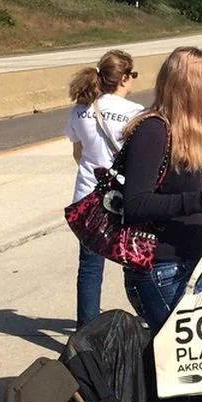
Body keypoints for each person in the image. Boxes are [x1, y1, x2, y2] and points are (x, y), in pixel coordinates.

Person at [119, 47, 202, 333]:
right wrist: (201, 200)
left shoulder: (188, 135)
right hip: (163, 270)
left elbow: (193, 198)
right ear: (193, 90)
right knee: (174, 355)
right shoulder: (153, 130)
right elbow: (136, 204)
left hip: (192, 263)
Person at [65, 50, 144, 329]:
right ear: (123, 78)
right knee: (136, 258)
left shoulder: (80, 110)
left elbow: (78, 153)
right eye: (132, 75)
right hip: (125, 197)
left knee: (89, 266)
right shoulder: (135, 113)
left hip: (87, 196)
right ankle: (148, 315)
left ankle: (86, 329)